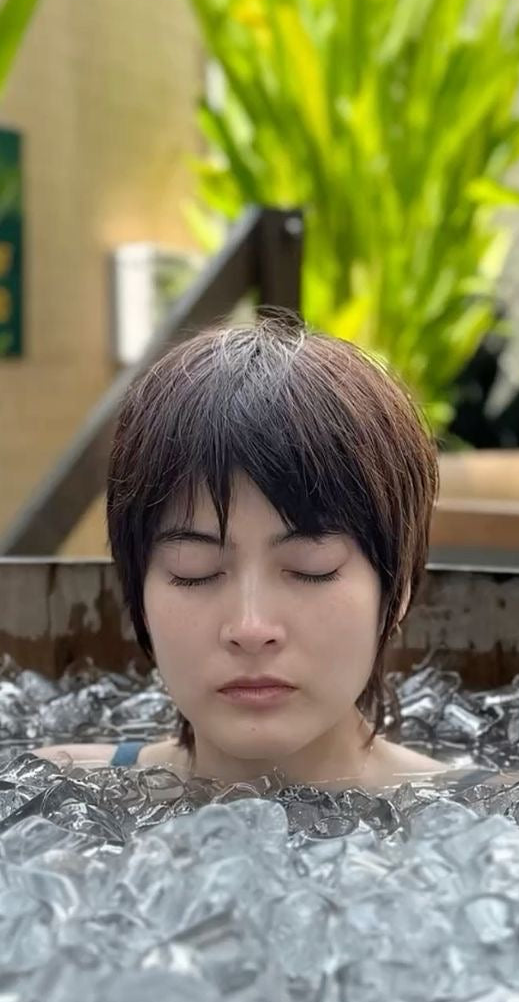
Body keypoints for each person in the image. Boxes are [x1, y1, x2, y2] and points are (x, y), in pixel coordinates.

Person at [36, 314, 448, 791]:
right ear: (138, 594)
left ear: (398, 590)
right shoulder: (44, 791)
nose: (251, 629)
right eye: (195, 571)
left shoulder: (496, 825)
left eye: (310, 568)